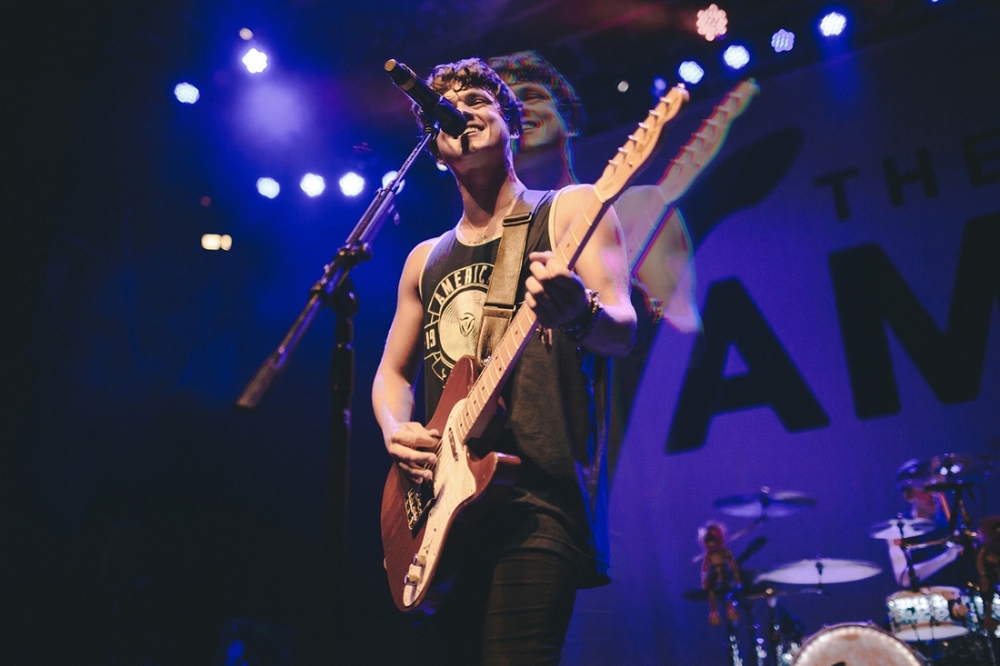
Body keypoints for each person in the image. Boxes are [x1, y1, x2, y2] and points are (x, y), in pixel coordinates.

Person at [372, 58, 636, 664]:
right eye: (447, 108)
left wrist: (580, 313)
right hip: (440, 510)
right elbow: (391, 373)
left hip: (535, 499)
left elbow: (623, 329)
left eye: (477, 100)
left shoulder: (569, 210)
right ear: (434, 147)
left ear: (511, 124)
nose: (460, 111)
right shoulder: (423, 260)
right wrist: (394, 428)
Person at [887, 475, 962, 588]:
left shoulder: (950, 523)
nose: (932, 495)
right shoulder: (898, 529)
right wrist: (947, 557)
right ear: (909, 495)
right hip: (925, 597)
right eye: (926, 490)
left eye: (935, 488)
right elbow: (904, 578)